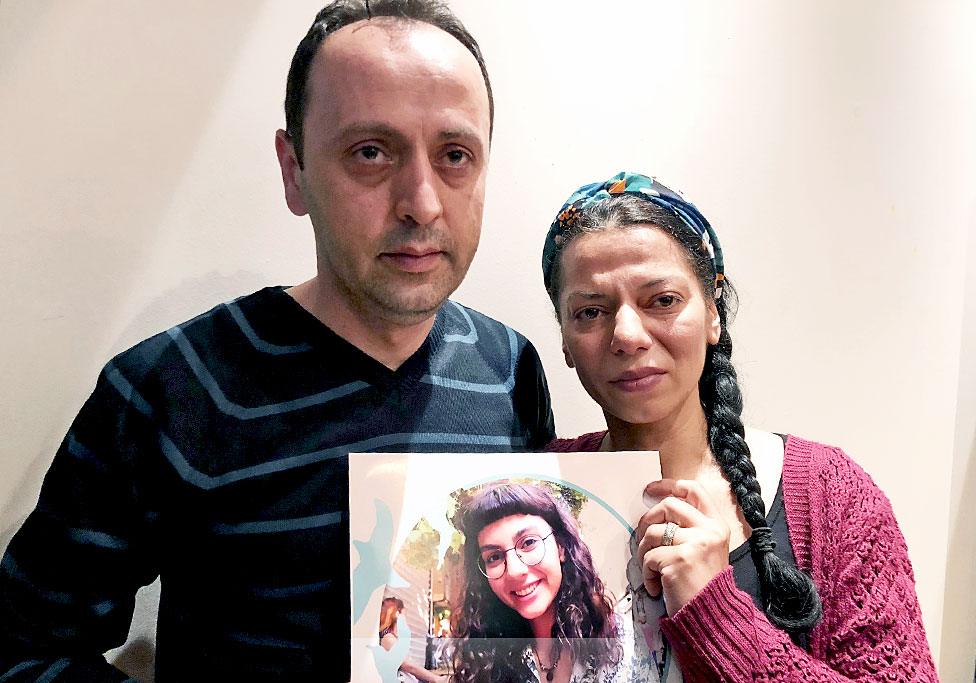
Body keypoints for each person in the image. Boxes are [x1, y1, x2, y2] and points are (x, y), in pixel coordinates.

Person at [0, 2, 554, 681]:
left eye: (455, 155)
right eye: (371, 153)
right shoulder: (174, 389)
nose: (422, 201)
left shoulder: (510, 371)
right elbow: (20, 648)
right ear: (294, 171)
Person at [543, 172, 938, 681]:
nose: (627, 334)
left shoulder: (831, 496)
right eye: (591, 311)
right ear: (565, 342)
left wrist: (716, 615)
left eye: (661, 300)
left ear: (713, 314)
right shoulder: (539, 484)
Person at [451, 482, 645, 683]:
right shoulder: (484, 660)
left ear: (560, 546)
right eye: (494, 557)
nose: (515, 571)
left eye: (528, 543)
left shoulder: (625, 640)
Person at [378, 597, 446, 683]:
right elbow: (407, 665)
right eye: (404, 614)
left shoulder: (393, 638)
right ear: (397, 614)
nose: (405, 618)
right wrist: (436, 679)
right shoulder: (387, 638)